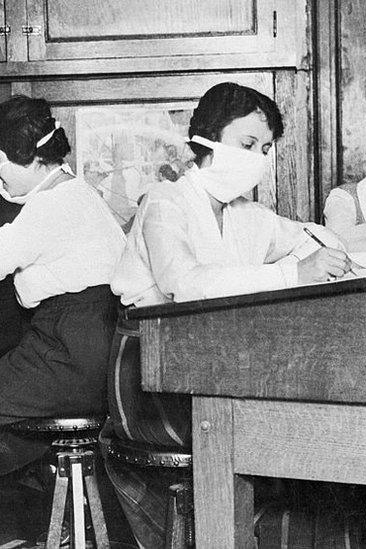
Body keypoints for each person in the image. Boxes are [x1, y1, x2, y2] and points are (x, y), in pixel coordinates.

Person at [103, 82, 351, 548]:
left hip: (217, 369)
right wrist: (292, 273)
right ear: (207, 139)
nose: (258, 158)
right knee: (279, 433)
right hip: (147, 374)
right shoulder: (164, 203)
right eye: (247, 144)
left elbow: (314, 238)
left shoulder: (248, 216)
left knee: (306, 432)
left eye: (267, 148)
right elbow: (186, 284)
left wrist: (330, 250)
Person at [0, 95, 126, 476]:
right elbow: (15, 241)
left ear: (31, 158)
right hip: (92, 354)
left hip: (65, 353)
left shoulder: (50, 206)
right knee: (7, 435)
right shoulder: (75, 193)